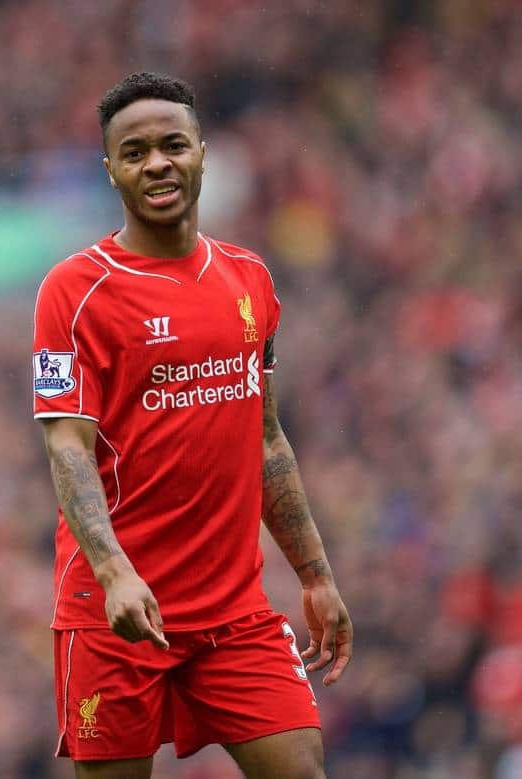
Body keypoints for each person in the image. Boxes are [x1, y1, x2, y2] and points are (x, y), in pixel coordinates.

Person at [31, 72, 353, 778]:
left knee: (302, 767)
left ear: (202, 152)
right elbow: (66, 445)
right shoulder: (73, 291)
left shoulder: (250, 279)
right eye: (136, 150)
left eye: (173, 144)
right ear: (110, 169)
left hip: (233, 612)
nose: (158, 163)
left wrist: (315, 574)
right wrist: (114, 572)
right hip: (116, 612)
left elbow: (266, 436)